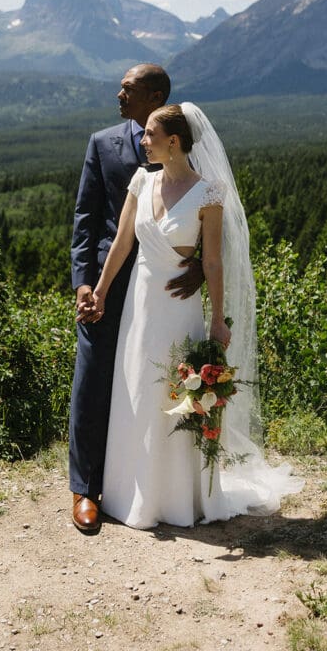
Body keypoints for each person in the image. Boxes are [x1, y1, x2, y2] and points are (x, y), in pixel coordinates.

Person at [91, 102, 303, 529]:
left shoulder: (209, 194)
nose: (143, 141)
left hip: (178, 309)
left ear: (174, 142)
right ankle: (128, 493)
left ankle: (175, 499)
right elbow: (122, 245)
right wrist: (100, 291)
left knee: (171, 393)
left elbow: (212, 262)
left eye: (150, 134)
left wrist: (218, 319)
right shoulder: (141, 180)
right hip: (139, 303)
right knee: (135, 390)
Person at [69, 65, 202, 533]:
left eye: (128, 89)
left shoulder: (187, 143)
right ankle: (85, 490)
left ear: (156, 95)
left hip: (163, 287)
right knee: (93, 380)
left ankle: (153, 487)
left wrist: (201, 265)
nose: (118, 95)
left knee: (154, 386)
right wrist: (85, 283)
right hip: (109, 282)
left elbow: (205, 211)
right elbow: (86, 220)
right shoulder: (102, 144)